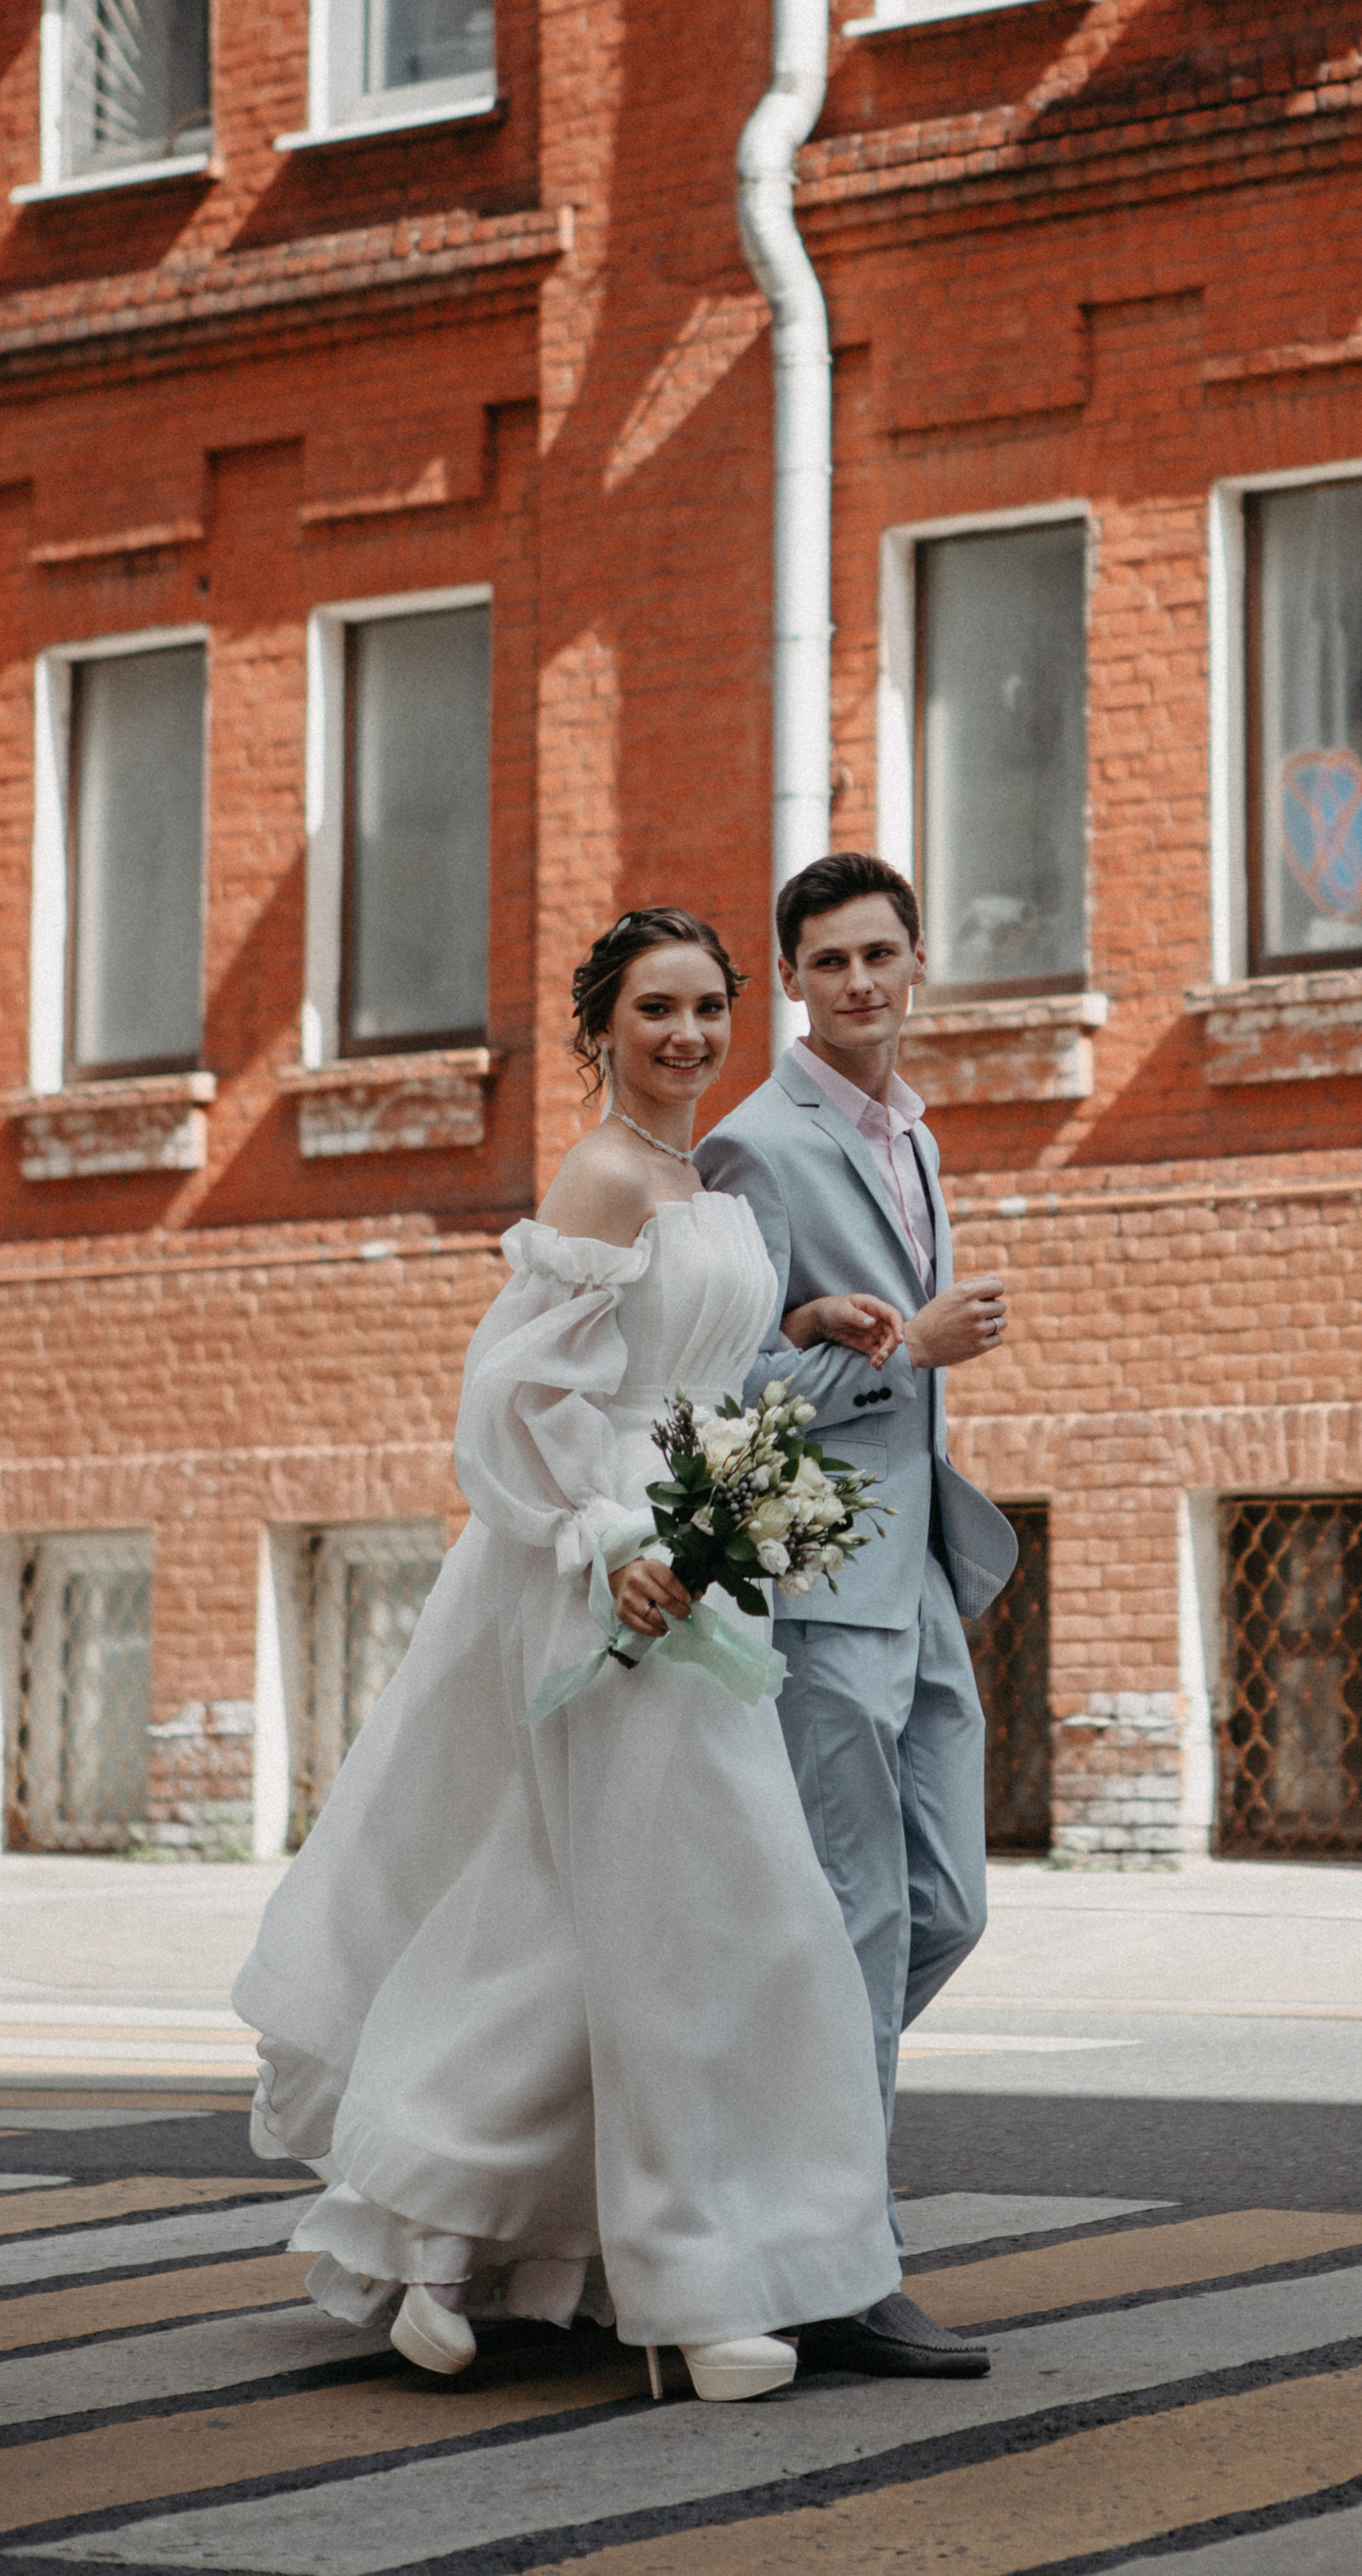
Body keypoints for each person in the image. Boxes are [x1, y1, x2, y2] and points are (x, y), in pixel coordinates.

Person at [233, 909, 899, 2405]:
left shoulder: (695, 1176)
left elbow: (681, 1354)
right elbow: (518, 1400)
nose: (688, 1035)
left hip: (704, 1556)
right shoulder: (601, 1173)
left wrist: (800, 1317)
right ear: (599, 1029)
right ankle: (694, 2288)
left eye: (709, 1008)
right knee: (696, 1918)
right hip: (610, 1570)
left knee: (611, 1916)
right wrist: (609, 1541)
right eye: (655, 1010)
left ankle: (443, 2231)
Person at [696, 852, 1018, 2382]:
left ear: (918, 963)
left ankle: (773, 2145)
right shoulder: (759, 1145)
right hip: (824, 1582)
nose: (861, 983)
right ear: (792, 983)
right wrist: (909, 1349)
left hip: (922, 1570)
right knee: (860, 1919)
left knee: (945, 1906)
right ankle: (844, 2262)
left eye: (881, 954)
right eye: (829, 963)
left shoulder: (912, 1132)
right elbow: (721, 1385)